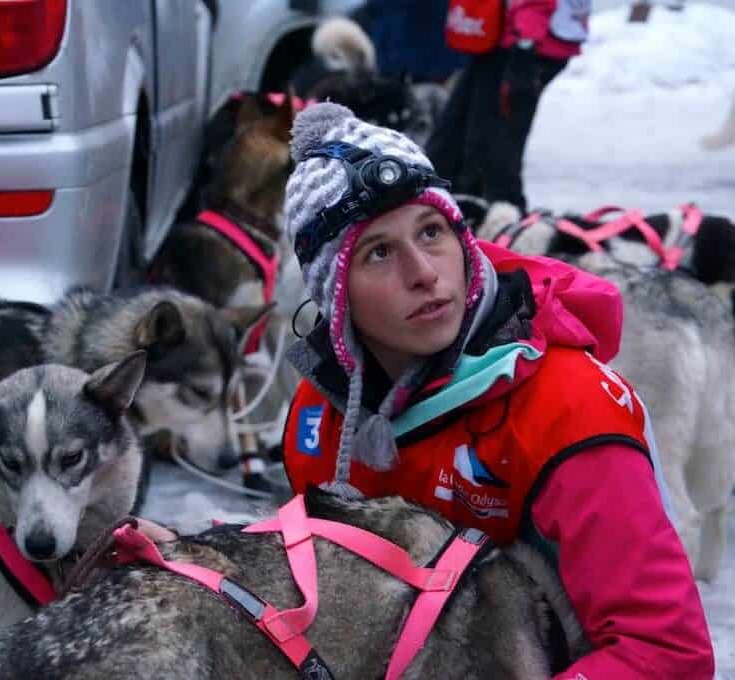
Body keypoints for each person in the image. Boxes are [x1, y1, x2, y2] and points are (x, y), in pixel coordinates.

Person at [281, 102, 714, 678]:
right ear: (336, 300)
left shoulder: (568, 409)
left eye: (431, 232)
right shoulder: (323, 411)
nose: (424, 272)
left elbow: (667, 652)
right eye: (378, 252)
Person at [425, 0, 584, 212]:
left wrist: (526, 45)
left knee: (490, 146)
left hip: (524, 41)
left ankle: (495, 218)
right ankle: (447, 205)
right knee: (454, 137)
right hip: (503, 37)